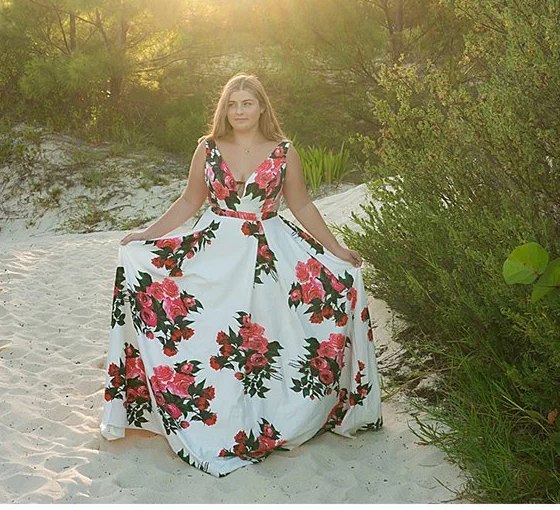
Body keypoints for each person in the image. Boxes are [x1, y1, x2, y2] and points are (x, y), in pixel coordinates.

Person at [101, 73, 380, 476]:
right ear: (224, 109)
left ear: (262, 107)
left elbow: (302, 207)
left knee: (267, 340)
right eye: (232, 105)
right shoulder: (208, 148)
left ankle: (273, 418)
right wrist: (147, 235)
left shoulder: (284, 152)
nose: (238, 112)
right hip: (215, 253)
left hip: (269, 255)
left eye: (246, 103)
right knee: (214, 337)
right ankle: (218, 419)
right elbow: (189, 201)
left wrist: (337, 251)